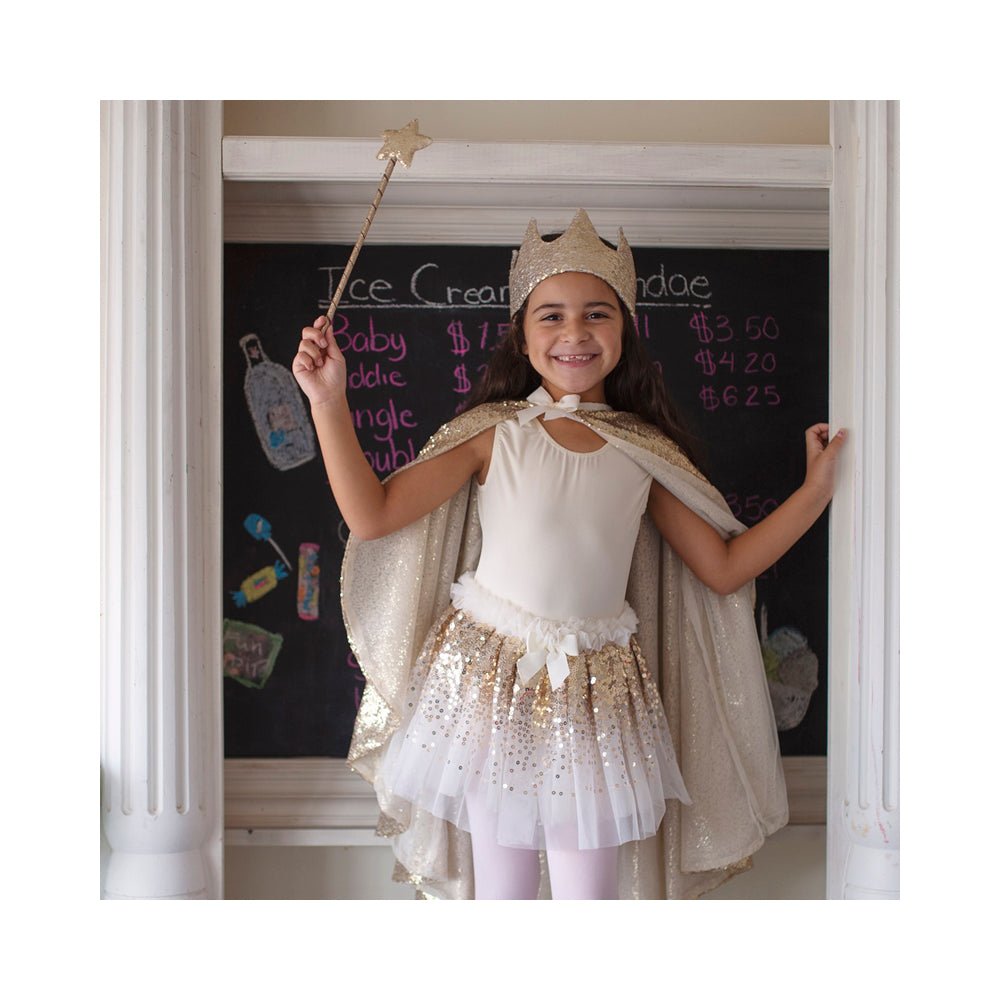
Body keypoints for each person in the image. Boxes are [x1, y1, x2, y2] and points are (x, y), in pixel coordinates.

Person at [292, 209, 845, 900]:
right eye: (551, 315)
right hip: (489, 683)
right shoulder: (495, 434)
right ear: (522, 336)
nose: (574, 333)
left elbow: (724, 567)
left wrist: (815, 492)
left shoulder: (642, 451)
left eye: (597, 314)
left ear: (626, 331)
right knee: (504, 893)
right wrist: (328, 401)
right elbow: (372, 516)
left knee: (590, 897)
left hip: (595, 691)